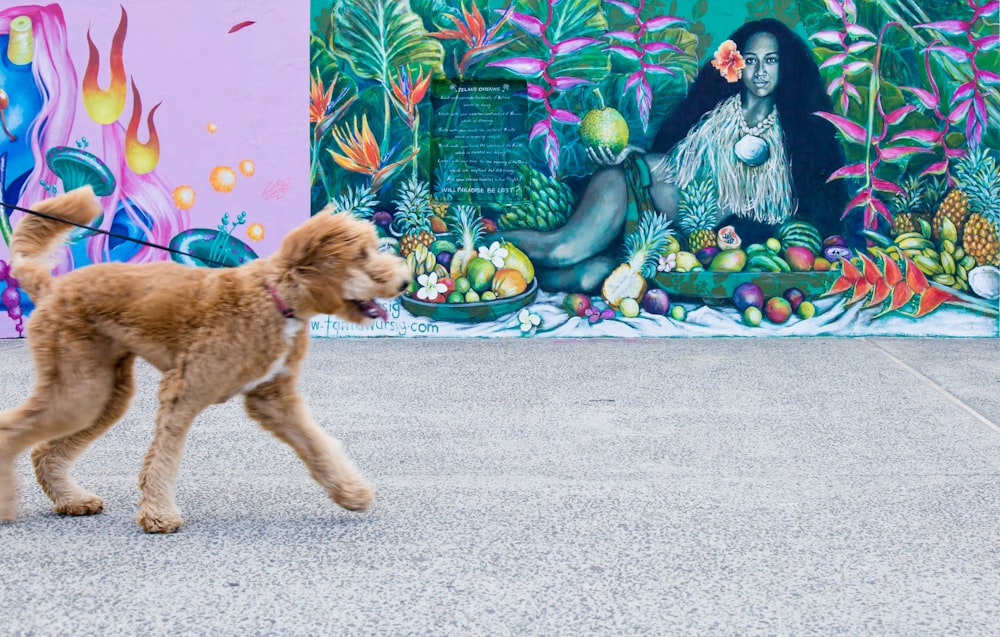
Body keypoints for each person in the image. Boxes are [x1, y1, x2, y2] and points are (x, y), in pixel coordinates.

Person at [499, 18, 854, 294]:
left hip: (674, 244)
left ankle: (507, 274)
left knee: (592, 276)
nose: (760, 71)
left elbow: (814, 213)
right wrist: (628, 155)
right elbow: (665, 159)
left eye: (771, 61)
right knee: (561, 250)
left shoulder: (800, 136)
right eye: (751, 60)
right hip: (632, 189)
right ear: (736, 64)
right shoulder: (711, 112)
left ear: (785, 66)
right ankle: (482, 244)